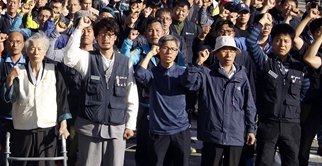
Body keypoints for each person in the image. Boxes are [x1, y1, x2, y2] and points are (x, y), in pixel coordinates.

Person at [64, 17, 138, 166]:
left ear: (115, 37)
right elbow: (69, 57)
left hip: (117, 127)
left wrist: (130, 124)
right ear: (96, 37)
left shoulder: (125, 62)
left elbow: (132, 96)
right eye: (102, 34)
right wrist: (79, 28)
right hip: (90, 127)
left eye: (110, 35)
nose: (106, 38)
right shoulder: (87, 58)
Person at [181, 36, 257, 166]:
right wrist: (198, 62)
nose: (228, 55)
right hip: (212, 134)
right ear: (216, 53)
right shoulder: (206, 73)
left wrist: (251, 129)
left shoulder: (241, 74)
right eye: (224, 50)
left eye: (232, 51)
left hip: (236, 134)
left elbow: (249, 104)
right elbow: (189, 83)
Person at [247, 14, 306, 166]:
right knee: (263, 161)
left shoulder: (299, 67)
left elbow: (304, 92)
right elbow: (250, 43)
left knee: (292, 162)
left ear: (292, 44)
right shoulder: (265, 62)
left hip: (291, 125)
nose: (282, 44)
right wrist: (261, 22)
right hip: (268, 123)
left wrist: (292, 108)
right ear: (272, 41)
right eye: (278, 40)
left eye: (286, 41)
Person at [5, 32, 71, 166]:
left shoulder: (54, 71)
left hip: (48, 129)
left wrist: (63, 125)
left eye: (40, 49)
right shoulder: (19, 71)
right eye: (32, 48)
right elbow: (9, 98)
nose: (36, 52)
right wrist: (10, 79)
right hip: (23, 128)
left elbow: (62, 100)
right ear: (27, 52)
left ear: (45, 52)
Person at [134, 35, 191, 166]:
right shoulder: (153, 72)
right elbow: (139, 74)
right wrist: (149, 54)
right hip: (158, 130)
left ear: (177, 53)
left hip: (180, 129)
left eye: (173, 49)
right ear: (159, 50)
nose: (169, 52)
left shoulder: (183, 73)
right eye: (165, 48)